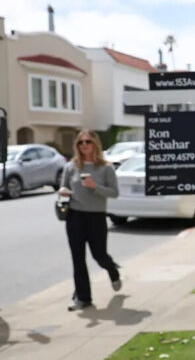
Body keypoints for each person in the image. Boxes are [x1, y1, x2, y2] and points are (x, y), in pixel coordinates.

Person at [58, 130, 121, 311]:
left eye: (88, 142)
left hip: (96, 216)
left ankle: (112, 270)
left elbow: (114, 193)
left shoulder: (106, 168)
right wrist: (63, 191)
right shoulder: (71, 167)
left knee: (99, 255)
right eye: (80, 142)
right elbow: (64, 185)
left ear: (95, 144)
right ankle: (83, 297)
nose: (84, 145)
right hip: (75, 215)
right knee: (78, 258)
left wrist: (95, 187)